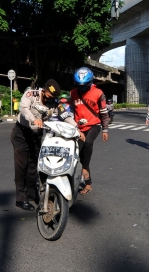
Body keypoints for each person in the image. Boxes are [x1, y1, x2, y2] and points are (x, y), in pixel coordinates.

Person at [10, 79, 75, 211]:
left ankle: (31, 193)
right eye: (49, 95)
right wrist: (34, 119)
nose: (51, 99)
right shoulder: (31, 94)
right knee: (22, 166)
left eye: (53, 97)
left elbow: (65, 114)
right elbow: (24, 109)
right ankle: (21, 198)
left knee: (34, 165)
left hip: (37, 135)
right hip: (21, 133)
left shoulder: (55, 102)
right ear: (44, 90)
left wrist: (76, 128)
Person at [70, 67, 109, 195]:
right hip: (78, 128)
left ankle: (85, 169)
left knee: (87, 143)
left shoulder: (98, 93)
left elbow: (104, 113)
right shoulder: (73, 93)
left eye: (84, 85)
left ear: (90, 82)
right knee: (75, 153)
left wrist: (105, 130)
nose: (81, 88)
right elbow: (69, 111)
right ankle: (87, 182)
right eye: (79, 85)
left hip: (94, 125)